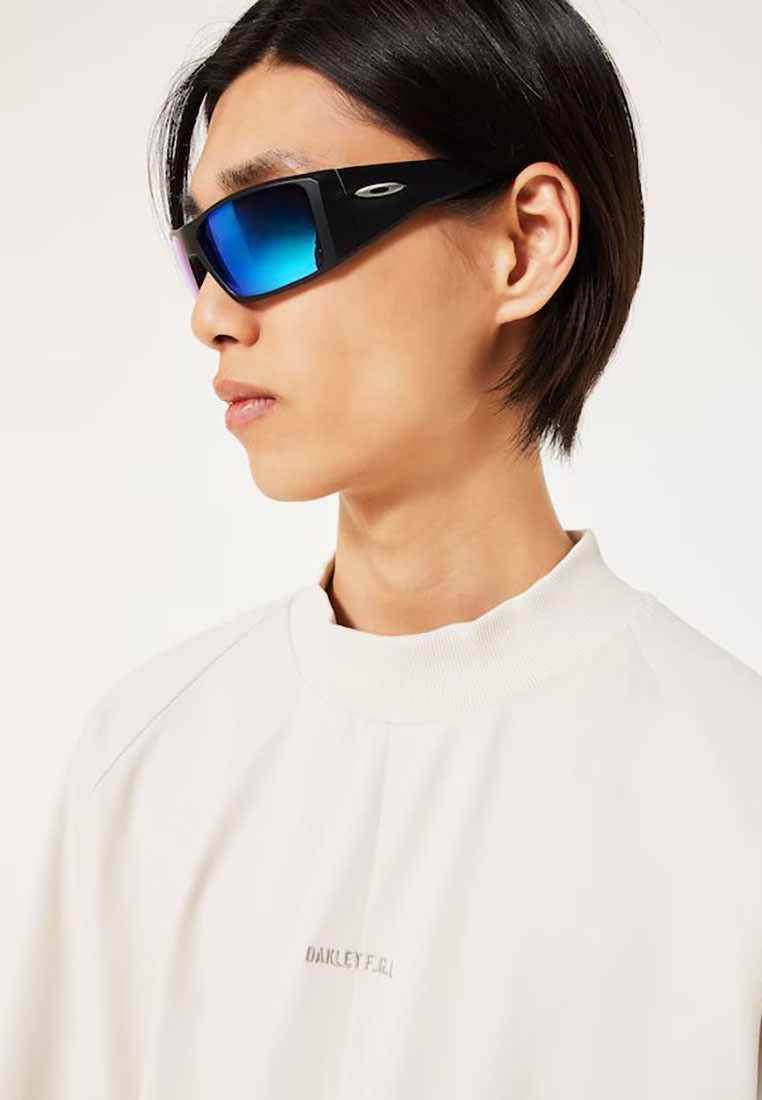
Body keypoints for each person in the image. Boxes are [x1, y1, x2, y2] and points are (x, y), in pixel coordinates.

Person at [3, 0, 762, 1097]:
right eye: (203, 251)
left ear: (525, 242)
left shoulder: (735, 800)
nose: (211, 315)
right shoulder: (142, 765)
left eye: (270, 222)